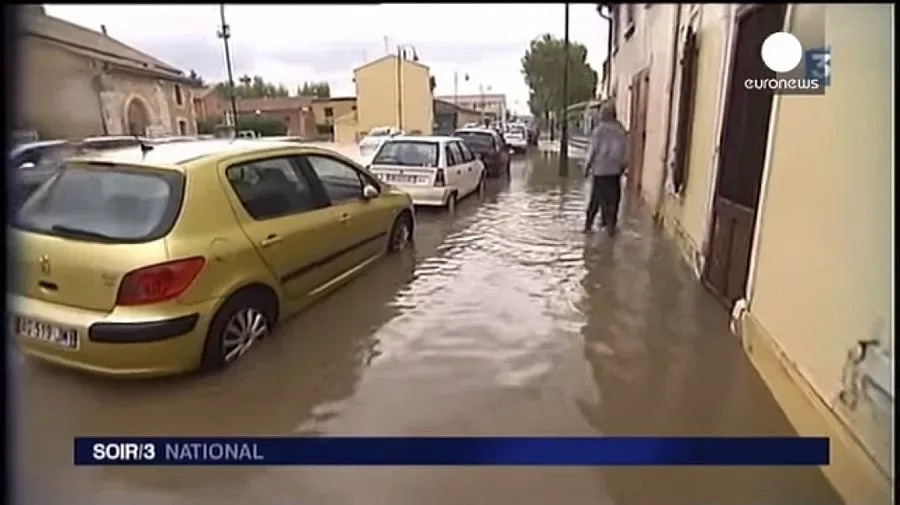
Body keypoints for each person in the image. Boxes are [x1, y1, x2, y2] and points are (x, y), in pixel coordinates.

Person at [583, 101, 628, 236]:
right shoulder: (621, 131)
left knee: (595, 201)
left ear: (604, 115)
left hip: (600, 172)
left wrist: (587, 167)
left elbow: (593, 150)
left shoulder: (598, 130)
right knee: (613, 201)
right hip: (614, 173)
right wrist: (623, 167)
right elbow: (626, 152)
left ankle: (588, 227)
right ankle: (610, 229)